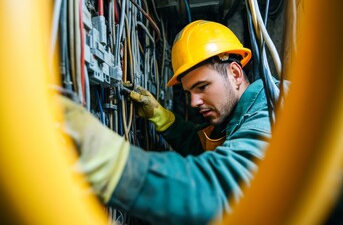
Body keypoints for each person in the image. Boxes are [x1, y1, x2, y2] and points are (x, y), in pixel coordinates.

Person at [58, 20, 272, 224]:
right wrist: (159, 116)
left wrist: (108, 162)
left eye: (202, 86)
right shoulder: (236, 118)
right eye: (189, 92)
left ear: (234, 73)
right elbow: (200, 143)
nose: (193, 102)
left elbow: (223, 190)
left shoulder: (271, 111)